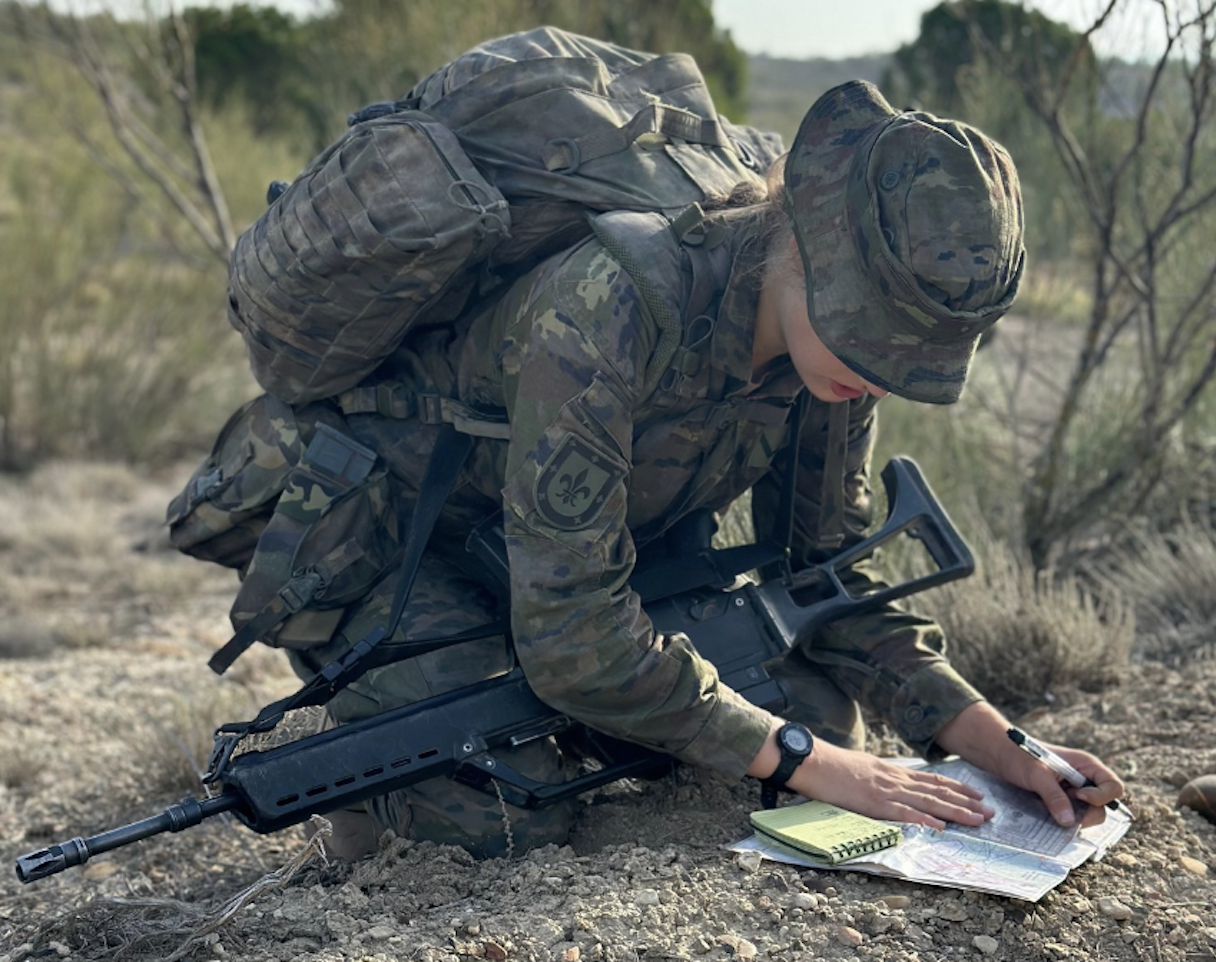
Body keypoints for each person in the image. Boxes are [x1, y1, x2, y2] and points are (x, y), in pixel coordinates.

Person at [284, 79, 1126, 859]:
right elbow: (574, 639)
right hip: (406, 548)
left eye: (906, 359)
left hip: (594, 565)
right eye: (867, 333)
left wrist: (992, 739)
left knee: (829, 722)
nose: (878, 374)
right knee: (510, 816)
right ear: (800, 239)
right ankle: (373, 747)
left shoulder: (830, 363)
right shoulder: (610, 304)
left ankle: (602, 726)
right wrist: (805, 762)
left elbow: (828, 574)